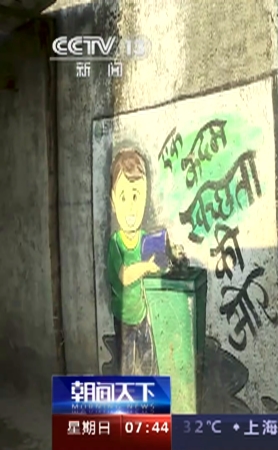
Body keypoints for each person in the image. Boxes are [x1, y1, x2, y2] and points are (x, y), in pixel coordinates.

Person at [106, 146, 161, 375]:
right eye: (124, 197)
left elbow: (158, 267)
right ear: (113, 201)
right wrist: (146, 266)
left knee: (149, 365)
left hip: (144, 316)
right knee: (127, 369)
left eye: (136, 196)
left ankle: (150, 397)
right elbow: (125, 276)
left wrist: (168, 256)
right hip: (124, 319)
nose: (131, 206)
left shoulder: (145, 239)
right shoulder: (115, 244)